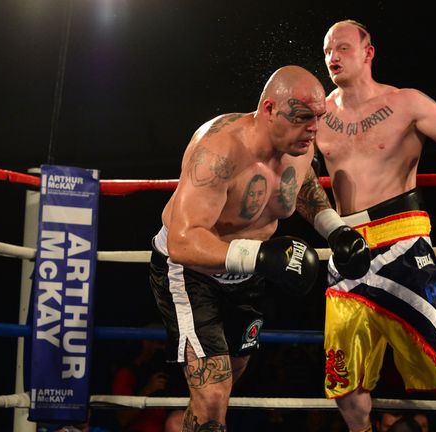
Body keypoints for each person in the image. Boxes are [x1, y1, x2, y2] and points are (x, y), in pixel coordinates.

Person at [148, 65, 371, 431]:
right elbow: (182, 241)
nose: (313, 128)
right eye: (303, 117)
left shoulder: (299, 143)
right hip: (192, 273)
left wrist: (335, 230)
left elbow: (301, 185)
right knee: (213, 394)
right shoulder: (218, 152)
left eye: (318, 117)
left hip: (248, 274)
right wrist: (261, 256)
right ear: (269, 109)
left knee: (230, 376)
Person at [317, 20, 436, 432]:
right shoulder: (320, 115)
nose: (333, 57)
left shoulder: (407, 103)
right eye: (327, 50)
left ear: (368, 52)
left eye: (342, 48)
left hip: (401, 239)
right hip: (345, 244)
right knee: (344, 379)